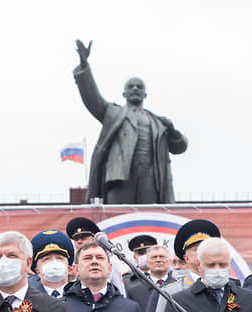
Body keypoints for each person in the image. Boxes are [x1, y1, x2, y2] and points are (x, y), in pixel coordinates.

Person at [73, 39, 188, 204]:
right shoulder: (112, 113)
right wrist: (84, 66)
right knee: (117, 219)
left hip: (150, 178)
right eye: (131, 86)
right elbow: (92, 98)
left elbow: (180, 148)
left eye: (139, 87)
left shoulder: (158, 122)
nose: (135, 89)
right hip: (119, 177)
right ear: (124, 94)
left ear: (145, 94)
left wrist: (173, 130)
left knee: (148, 220)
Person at [28, 229, 75, 298]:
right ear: (37, 271)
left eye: (59, 258)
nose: (54, 262)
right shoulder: (27, 297)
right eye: (46, 259)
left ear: (69, 268)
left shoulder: (82, 295)